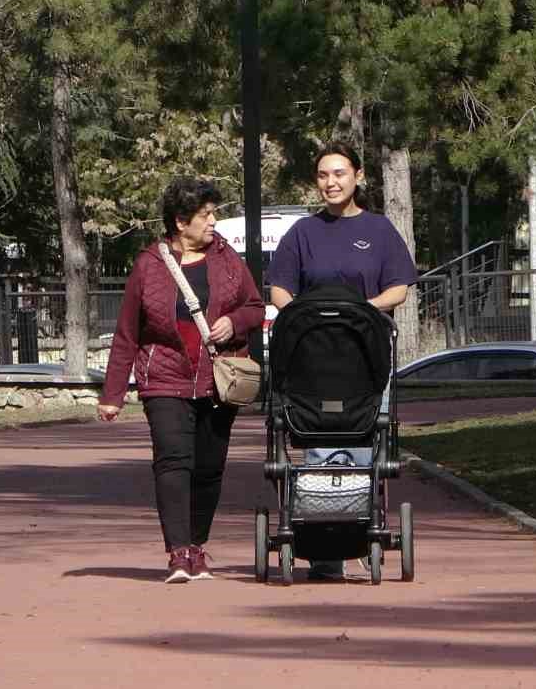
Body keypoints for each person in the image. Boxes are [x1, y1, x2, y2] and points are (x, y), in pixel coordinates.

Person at [97, 178, 266, 583]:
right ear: (180, 221)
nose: (213, 221)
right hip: (164, 379)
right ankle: (178, 553)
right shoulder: (148, 266)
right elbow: (127, 334)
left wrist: (234, 321)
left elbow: (256, 307)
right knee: (173, 461)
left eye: (214, 212)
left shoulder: (227, 259)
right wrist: (113, 394)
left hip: (217, 378)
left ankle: (197, 547)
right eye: (205, 214)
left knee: (209, 467)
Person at [266, 140, 417, 580]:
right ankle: (325, 547)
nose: (330, 182)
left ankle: (364, 527)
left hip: (365, 353)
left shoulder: (380, 230)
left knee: (365, 439)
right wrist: (298, 315)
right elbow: (279, 288)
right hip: (315, 359)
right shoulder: (302, 234)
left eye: (339, 174)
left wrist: (363, 310)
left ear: (358, 176)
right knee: (321, 441)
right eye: (323, 175)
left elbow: (399, 289)